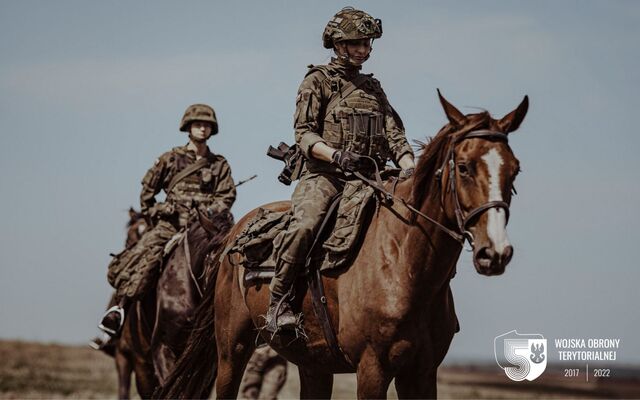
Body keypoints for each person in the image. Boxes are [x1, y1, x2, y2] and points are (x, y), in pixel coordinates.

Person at [266, 7, 416, 331]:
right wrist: (335, 156)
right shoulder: (317, 81)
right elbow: (304, 133)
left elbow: (395, 137)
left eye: (367, 43)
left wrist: (409, 167)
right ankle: (279, 300)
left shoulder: (374, 89)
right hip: (326, 176)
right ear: (338, 44)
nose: (364, 49)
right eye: (357, 42)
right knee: (306, 224)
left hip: (371, 178)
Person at [98, 104, 236, 338]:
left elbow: (227, 195)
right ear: (188, 127)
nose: (203, 129)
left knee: (235, 258)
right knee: (142, 258)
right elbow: (147, 196)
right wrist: (164, 209)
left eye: (207, 125)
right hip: (171, 226)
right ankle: (119, 309)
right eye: (198, 124)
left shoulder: (219, 164)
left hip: (205, 229)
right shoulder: (169, 159)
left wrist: (209, 212)